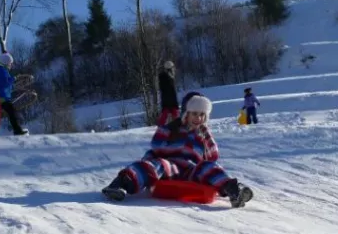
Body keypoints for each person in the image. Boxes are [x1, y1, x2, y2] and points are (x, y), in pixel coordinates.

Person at [101, 92, 254, 208]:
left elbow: (213, 157)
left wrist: (206, 136)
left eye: (202, 115)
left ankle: (233, 190)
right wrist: (166, 130)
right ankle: (121, 184)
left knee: (209, 167)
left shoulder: (202, 134)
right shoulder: (172, 129)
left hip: (191, 171)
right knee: (155, 165)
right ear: (186, 114)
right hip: (170, 167)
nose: (198, 118)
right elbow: (156, 146)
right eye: (195, 113)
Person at [0, 52, 29, 135]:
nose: (11, 65)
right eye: (10, 63)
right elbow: (5, 82)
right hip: (1, 97)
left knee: (9, 112)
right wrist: (14, 78)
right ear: (6, 62)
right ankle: (17, 130)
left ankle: (17, 129)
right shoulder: (1, 70)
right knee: (12, 112)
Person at [157, 60, 179, 126]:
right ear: (170, 68)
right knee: (172, 113)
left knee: (169, 113)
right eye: (172, 68)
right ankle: (161, 127)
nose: (173, 69)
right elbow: (170, 90)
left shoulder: (166, 76)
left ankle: (175, 127)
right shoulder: (167, 77)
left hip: (168, 99)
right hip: (169, 100)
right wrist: (173, 101)